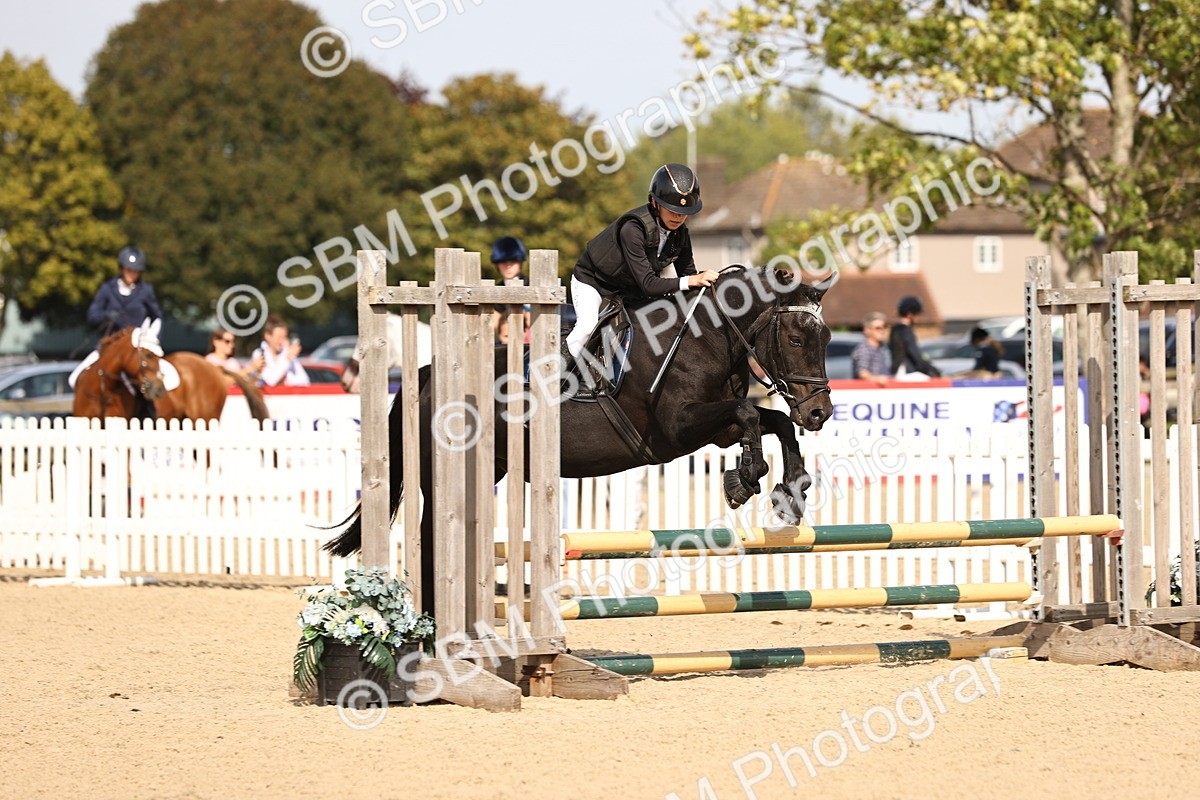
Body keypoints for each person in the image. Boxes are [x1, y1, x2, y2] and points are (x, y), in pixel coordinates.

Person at [565, 163, 719, 363]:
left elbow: (687, 276)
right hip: (594, 282)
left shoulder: (681, 235)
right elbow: (650, 284)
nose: (678, 216)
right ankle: (552, 374)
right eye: (672, 209)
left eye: (683, 211)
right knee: (587, 326)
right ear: (655, 203)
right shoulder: (633, 229)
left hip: (630, 288)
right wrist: (692, 280)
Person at [86, 246, 163, 338]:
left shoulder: (146, 291)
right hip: (110, 342)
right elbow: (92, 316)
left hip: (137, 343)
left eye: (136, 271)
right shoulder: (107, 288)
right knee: (93, 353)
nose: (132, 274)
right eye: (129, 270)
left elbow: (157, 318)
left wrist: (152, 337)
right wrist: (107, 315)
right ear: (121, 269)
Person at [490, 236, 532, 345]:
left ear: (520, 262)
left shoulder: (532, 285)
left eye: (513, 261)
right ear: (497, 264)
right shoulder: (494, 290)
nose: (508, 266)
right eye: (503, 262)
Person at [888, 295, 941, 379]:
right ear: (910, 314)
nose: (919, 318)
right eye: (917, 314)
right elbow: (915, 355)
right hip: (908, 372)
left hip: (897, 372)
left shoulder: (895, 329)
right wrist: (932, 370)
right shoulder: (905, 331)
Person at [255, 316, 310, 387]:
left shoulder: (287, 353)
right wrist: (287, 358)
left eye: (284, 337)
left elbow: (305, 381)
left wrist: (286, 380)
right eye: (278, 337)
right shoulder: (259, 354)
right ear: (268, 336)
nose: (281, 341)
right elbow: (270, 380)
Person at [850, 312, 891, 386]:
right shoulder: (863, 349)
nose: (882, 331)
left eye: (884, 327)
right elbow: (862, 373)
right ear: (867, 330)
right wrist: (878, 379)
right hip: (868, 394)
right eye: (878, 328)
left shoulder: (883, 348)